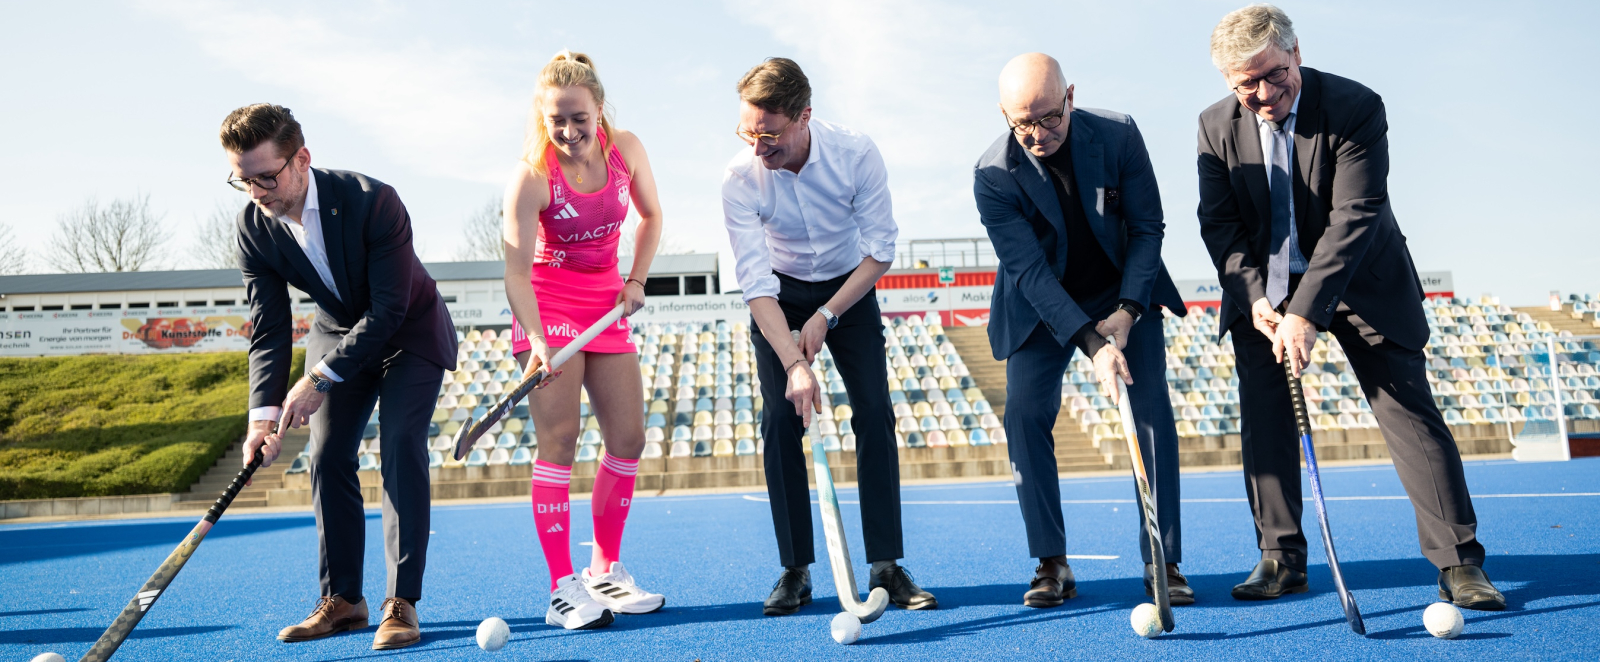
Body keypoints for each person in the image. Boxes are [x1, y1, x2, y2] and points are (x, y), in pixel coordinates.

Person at [1196, 4, 1504, 609]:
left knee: (1408, 412)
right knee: (1265, 419)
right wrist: (1257, 298)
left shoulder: (1356, 106)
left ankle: (1459, 564)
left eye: (1272, 74)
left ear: (1296, 54)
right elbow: (1219, 225)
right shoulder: (1213, 125)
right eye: (1244, 84)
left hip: (1361, 279)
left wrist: (1306, 312)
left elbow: (1354, 216)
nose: (1261, 94)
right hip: (1266, 290)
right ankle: (1280, 559)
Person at [225, 103, 457, 650]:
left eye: (266, 176)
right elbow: (269, 328)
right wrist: (261, 417)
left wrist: (319, 379)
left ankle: (401, 601)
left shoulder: (373, 200)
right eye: (243, 180)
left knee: (400, 443)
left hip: (408, 331)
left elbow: (387, 310)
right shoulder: (252, 228)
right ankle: (344, 599)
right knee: (327, 453)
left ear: (301, 159)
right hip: (336, 330)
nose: (257, 191)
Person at [973, 54, 1192, 608]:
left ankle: (1161, 560)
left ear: (1070, 95)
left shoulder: (1118, 135)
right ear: (1004, 114)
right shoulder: (991, 175)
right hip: (1040, 303)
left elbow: (1147, 228)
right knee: (1023, 413)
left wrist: (1126, 311)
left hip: (1122, 288)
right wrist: (1091, 342)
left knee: (1150, 414)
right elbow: (1029, 272)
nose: (1037, 134)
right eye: (1021, 123)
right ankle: (1052, 562)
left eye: (1049, 118)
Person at [722, 57, 937, 616]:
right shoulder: (739, 179)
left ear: (804, 117)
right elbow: (754, 283)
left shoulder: (856, 153)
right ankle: (795, 570)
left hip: (849, 283)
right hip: (779, 291)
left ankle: (886, 565)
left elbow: (880, 252)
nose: (757, 147)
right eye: (748, 132)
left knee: (873, 410)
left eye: (768, 134)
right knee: (778, 419)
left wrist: (827, 316)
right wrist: (795, 360)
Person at [503, 50, 667, 631]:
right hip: (547, 303)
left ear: (600, 109)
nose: (569, 132)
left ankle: (603, 569)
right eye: (557, 121)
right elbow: (517, 272)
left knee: (628, 436)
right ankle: (561, 589)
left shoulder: (626, 148)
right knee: (562, 438)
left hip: (606, 300)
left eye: (579, 118)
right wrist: (539, 343)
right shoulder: (531, 175)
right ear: (542, 119)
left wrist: (636, 278)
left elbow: (651, 216)